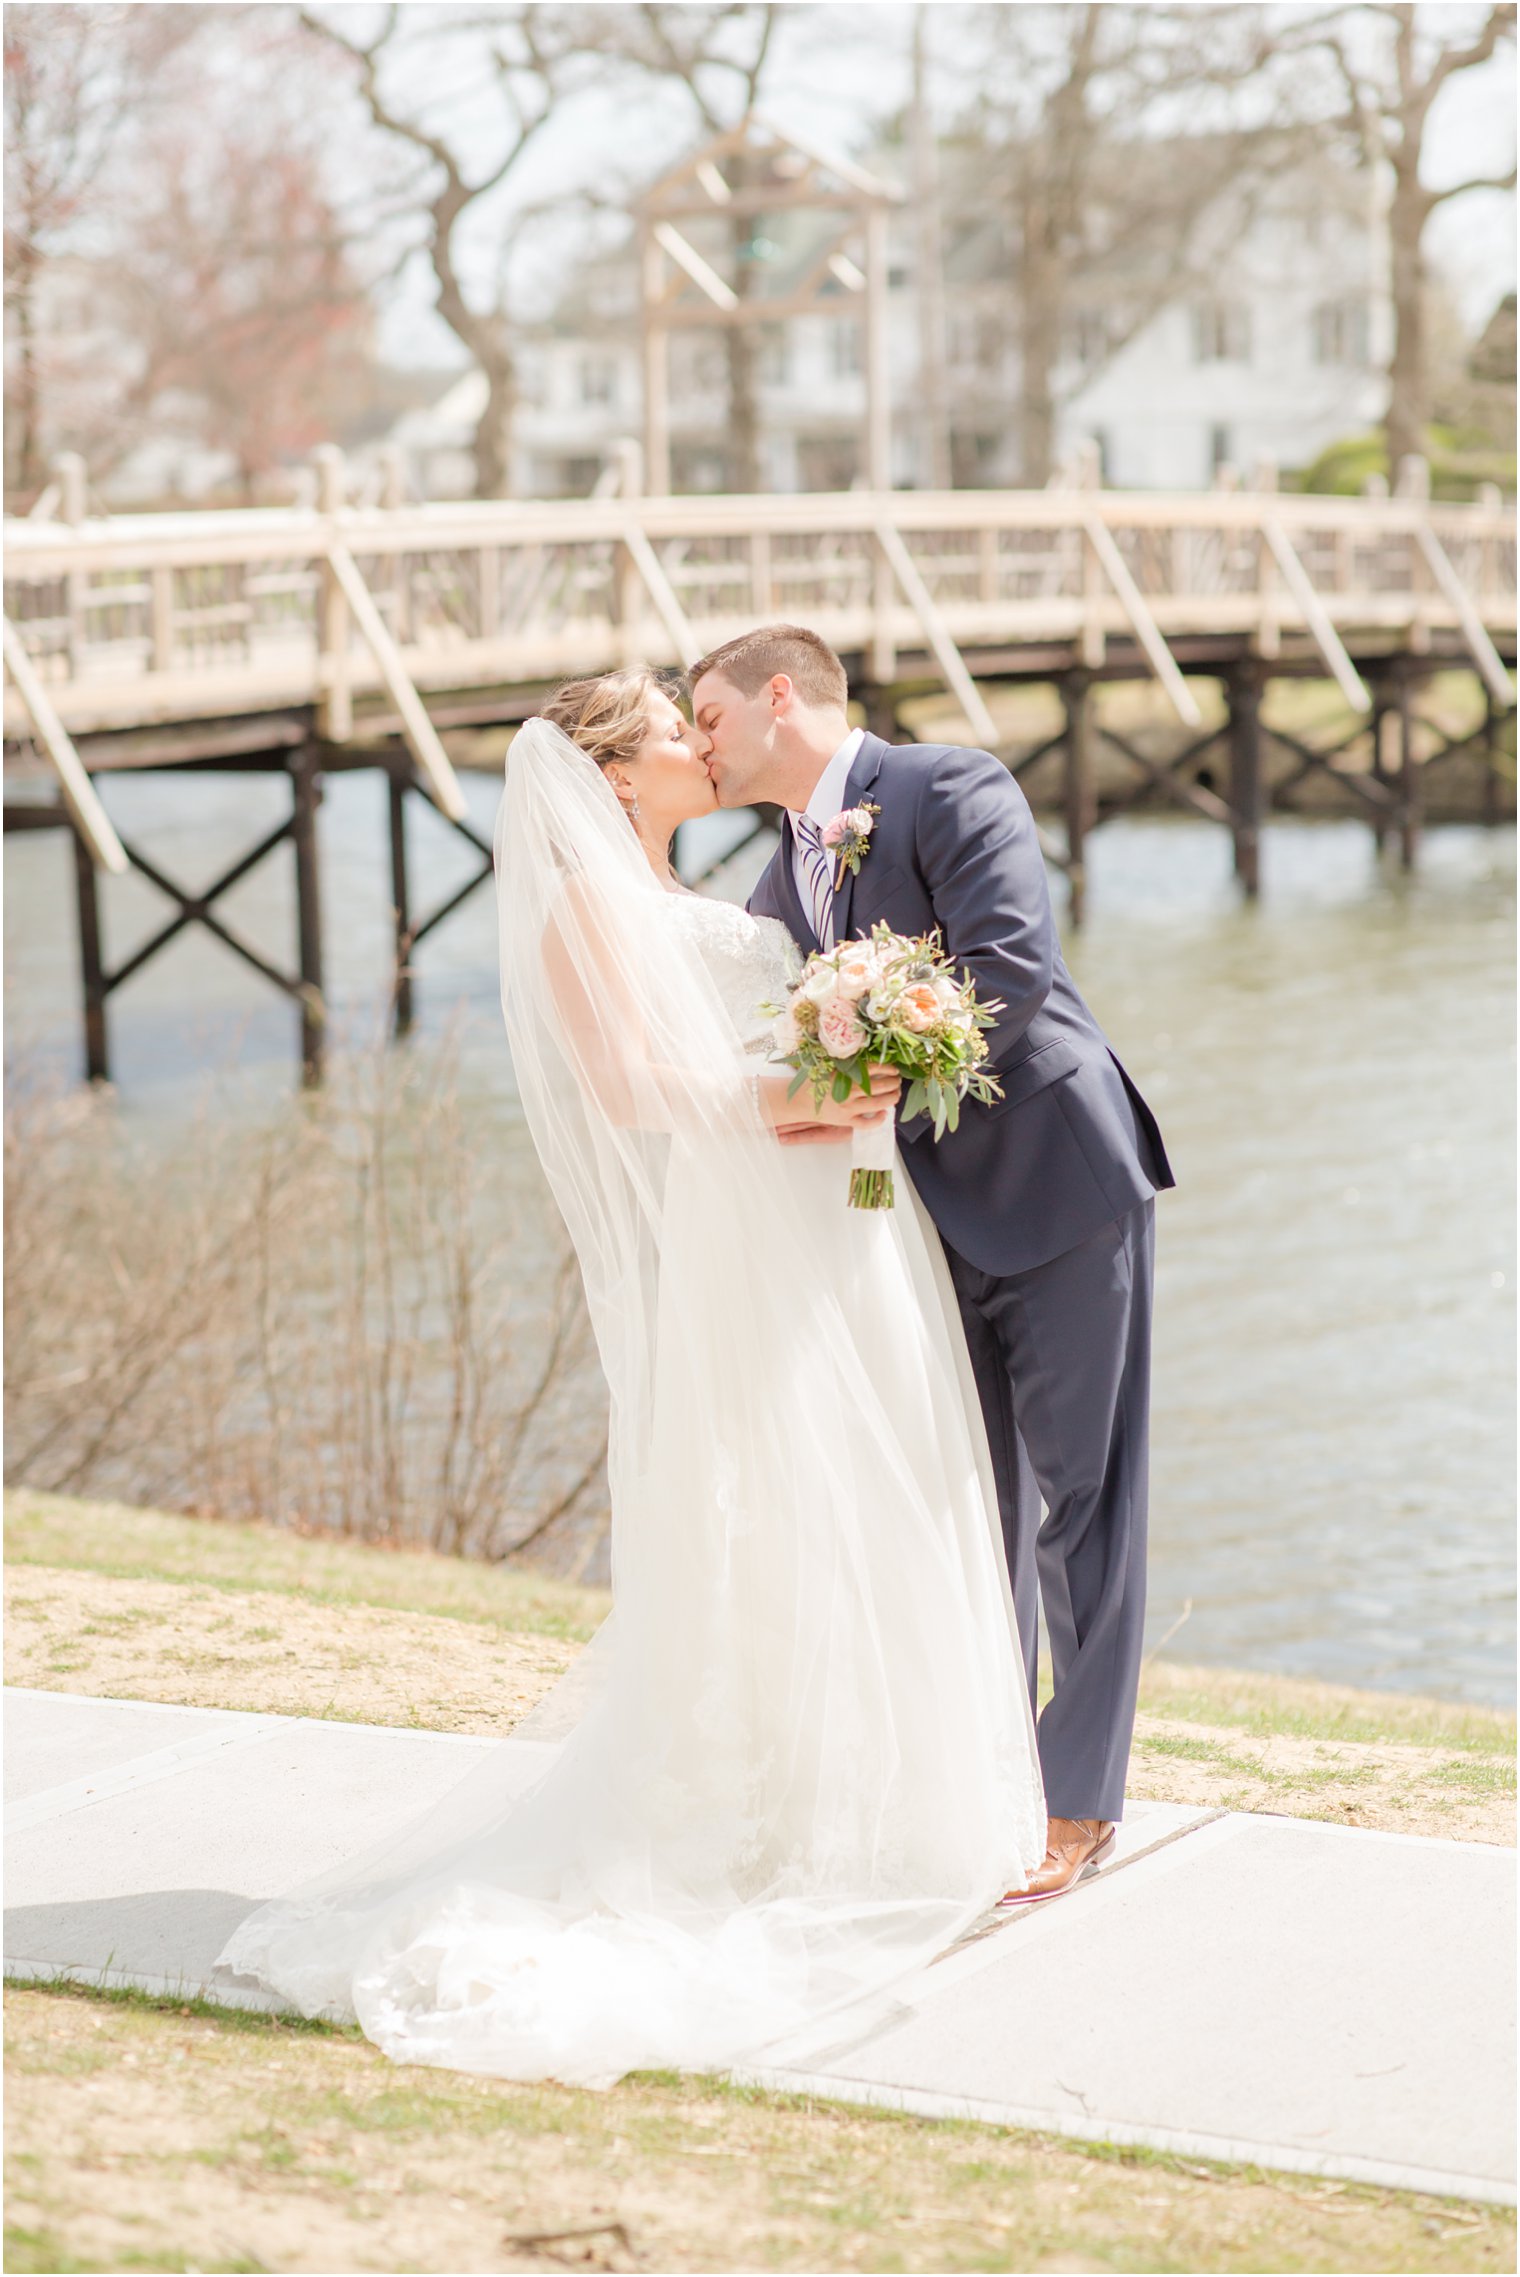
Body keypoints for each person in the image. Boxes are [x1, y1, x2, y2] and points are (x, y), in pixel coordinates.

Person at [214, 667, 1046, 2086]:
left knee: (865, 1479)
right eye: (675, 728)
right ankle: (767, 1812)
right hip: (751, 1226)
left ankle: (882, 1793)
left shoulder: (695, 888)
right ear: (611, 772)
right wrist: (803, 1101)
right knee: (768, 1496)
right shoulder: (585, 908)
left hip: (821, 1218)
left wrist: (853, 1043)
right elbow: (634, 1091)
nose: (698, 742)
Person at [691, 625, 1174, 1905]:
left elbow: (1007, 976)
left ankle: (1076, 1804)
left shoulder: (946, 787)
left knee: (1086, 1500)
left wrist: (852, 1084)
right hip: (921, 1223)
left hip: (1057, 1187)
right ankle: (990, 1775)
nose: (700, 744)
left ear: (777, 696)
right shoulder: (772, 884)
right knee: (973, 1506)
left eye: (709, 719)